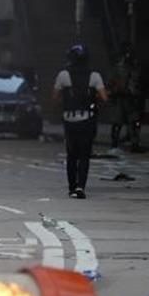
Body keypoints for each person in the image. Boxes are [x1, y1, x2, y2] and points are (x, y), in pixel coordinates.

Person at [52, 44, 108, 199]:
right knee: (84, 155)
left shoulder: (63, 75)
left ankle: (71, 187)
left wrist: (68, 98)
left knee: (71, 154)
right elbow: (104, 97)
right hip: (87, 119)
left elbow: (55, 97)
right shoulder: (95, 76)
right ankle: (80, 186)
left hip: (70, 119)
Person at [108, 44, 142, 152]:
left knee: (134, 122)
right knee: (117, 122)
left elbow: (137, 83)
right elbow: (112, 82)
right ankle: (114, 143)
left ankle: (134, 143)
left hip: (131, 98)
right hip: (120, 98)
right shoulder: (118, 68)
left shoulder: (135, 68)